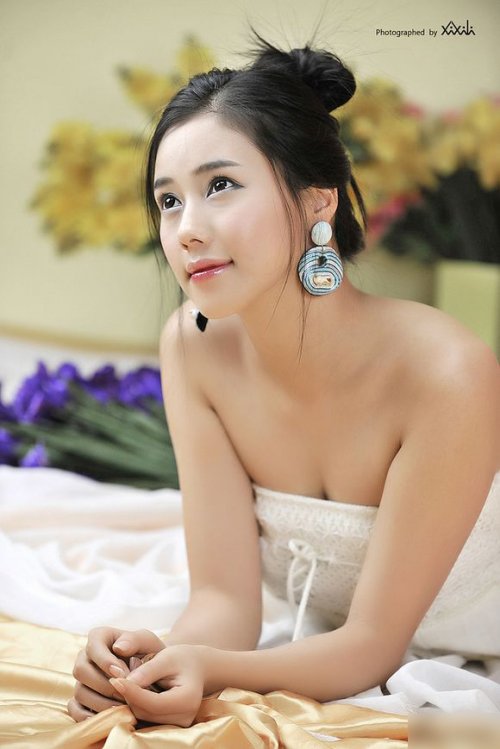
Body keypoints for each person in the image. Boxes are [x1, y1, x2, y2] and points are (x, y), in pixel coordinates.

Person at [68, 30, 500, 728]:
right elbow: (225, 602)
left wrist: (213, 669)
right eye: (169, 201)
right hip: (330, 651)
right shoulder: (193, 348)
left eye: (220, 186)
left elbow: (372, 647)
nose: (186, 230)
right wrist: (148, 664)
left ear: (317, 201)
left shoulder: (447, 373)